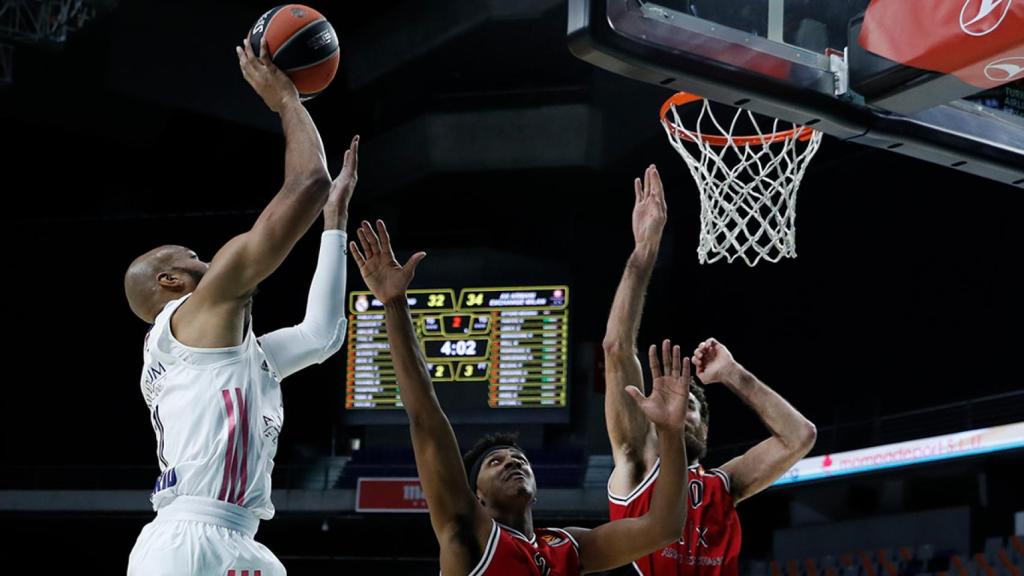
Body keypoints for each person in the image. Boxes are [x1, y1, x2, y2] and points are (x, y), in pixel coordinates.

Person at [123, 37, 359, 576]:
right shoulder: (190, 320)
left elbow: (322, 335)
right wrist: (285, 101)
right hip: (186, 540)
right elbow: (307, 183)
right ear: (170, 279)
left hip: (238, 537)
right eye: (195, 256)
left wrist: (334, 224)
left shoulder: (219, 354)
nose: (208, 261)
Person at [350, 219, 692, 575]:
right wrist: (393, 304)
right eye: (495, 462)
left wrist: (670, 433)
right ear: (476, 496)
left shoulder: (567, 546)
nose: (514, 462)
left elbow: (664, 528)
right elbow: (425, 415)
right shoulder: (467, 532)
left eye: (518, 458)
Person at [603, 165, 818, 575]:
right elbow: (616, 349)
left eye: (691, 408)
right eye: (674, 405)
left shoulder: (722, 487)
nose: (681, 412)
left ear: (704, 430)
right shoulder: (635, 462)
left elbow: (800, 435)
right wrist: (644, 252)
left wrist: (734, 374)